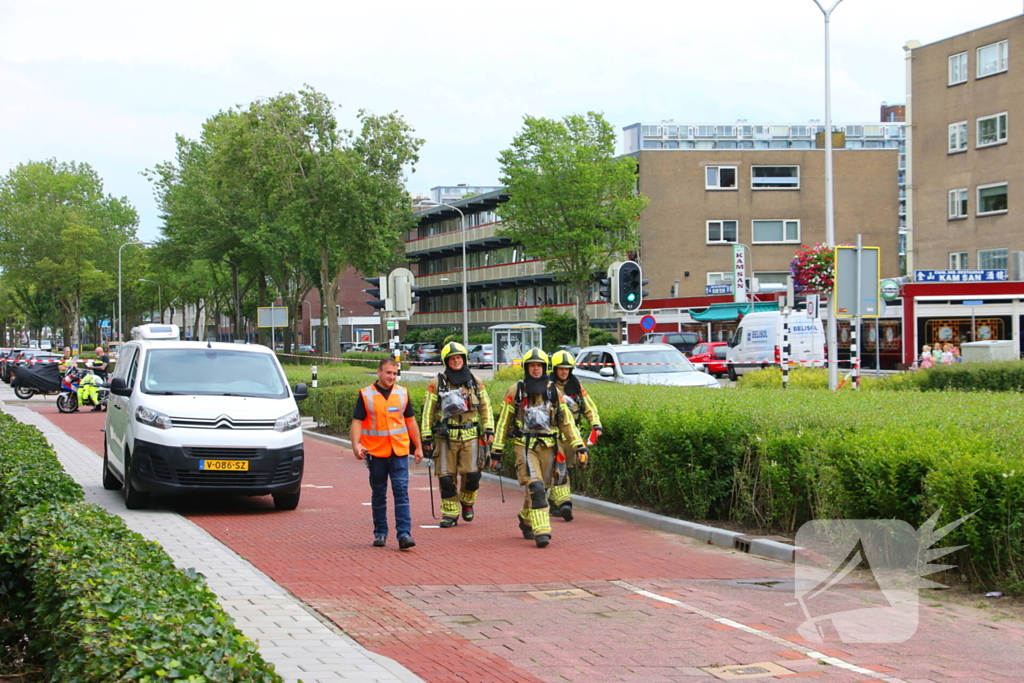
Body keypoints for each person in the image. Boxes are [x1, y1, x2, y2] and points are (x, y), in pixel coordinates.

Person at [491, 348, 586, 548]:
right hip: (525, 446)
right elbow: (503, 422)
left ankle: (526, 519)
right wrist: (497, 451)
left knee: (542, 488)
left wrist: (579, 447)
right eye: (532, 365)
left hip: (550, 447)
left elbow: (567, 422)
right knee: (535, 487)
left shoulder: (554, 392)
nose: (536, 369)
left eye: (539, 365)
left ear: (544, 368)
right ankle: (542, 531)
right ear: (526, 368)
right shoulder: (515, 391)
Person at [351, 358, 424, 550]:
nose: (392, 376)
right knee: (379, 493)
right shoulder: (366, 394)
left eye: (394, 373)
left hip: (399, 450)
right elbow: (357, 422)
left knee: (401, 491)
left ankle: (404, 534)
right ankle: (380, 533)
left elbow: (410, 421)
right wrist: (356, 445)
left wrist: (418, 446)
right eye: (388, 373)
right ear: (379, 372)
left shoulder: (402, 393)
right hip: (376, 452)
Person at [420, 342, 494, 527]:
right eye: (452, 358)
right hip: (445, 438)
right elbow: (428, 411)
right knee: (446, 478)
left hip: (470, 436)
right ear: (446, 361)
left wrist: (489, 429)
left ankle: (467, 502)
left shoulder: (476, 382)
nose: (456, 361)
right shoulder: (437, 383)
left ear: (464, 359)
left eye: (459, 357)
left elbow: (486, 407)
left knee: (473, 476)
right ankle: (450, 513)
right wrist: (426, 437)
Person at [548, 350, 602, 522]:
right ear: (555, 369)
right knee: (559, 469)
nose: (564, 372)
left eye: (567, 369)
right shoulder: (547, 387)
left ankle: (554, 502)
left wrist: (596, 425)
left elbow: (589, 407)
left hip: (572, 438)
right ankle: (564, 503)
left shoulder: (576, 387)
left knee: (569, 470)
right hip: (554, 437)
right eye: (561, 368)